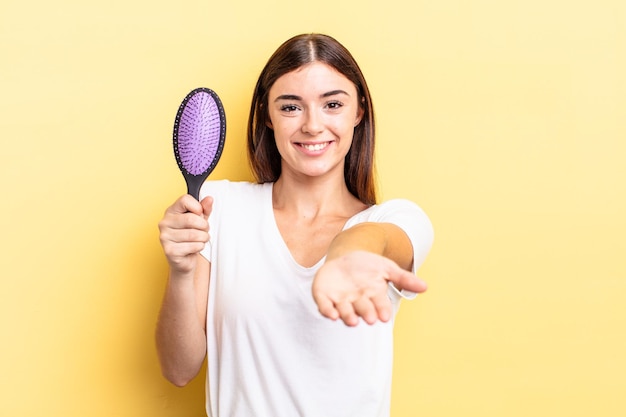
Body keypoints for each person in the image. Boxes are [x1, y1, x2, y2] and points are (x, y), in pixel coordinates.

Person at [156, 33, 434, 417]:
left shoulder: (396, 219)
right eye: (291, 107)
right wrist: (181, 270)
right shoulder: (219, 208)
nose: (313, 125)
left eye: (333, 104)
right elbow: (178, 370)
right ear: (268, 116)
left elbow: (377, 241)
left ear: (359, 112)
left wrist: (344, 256)